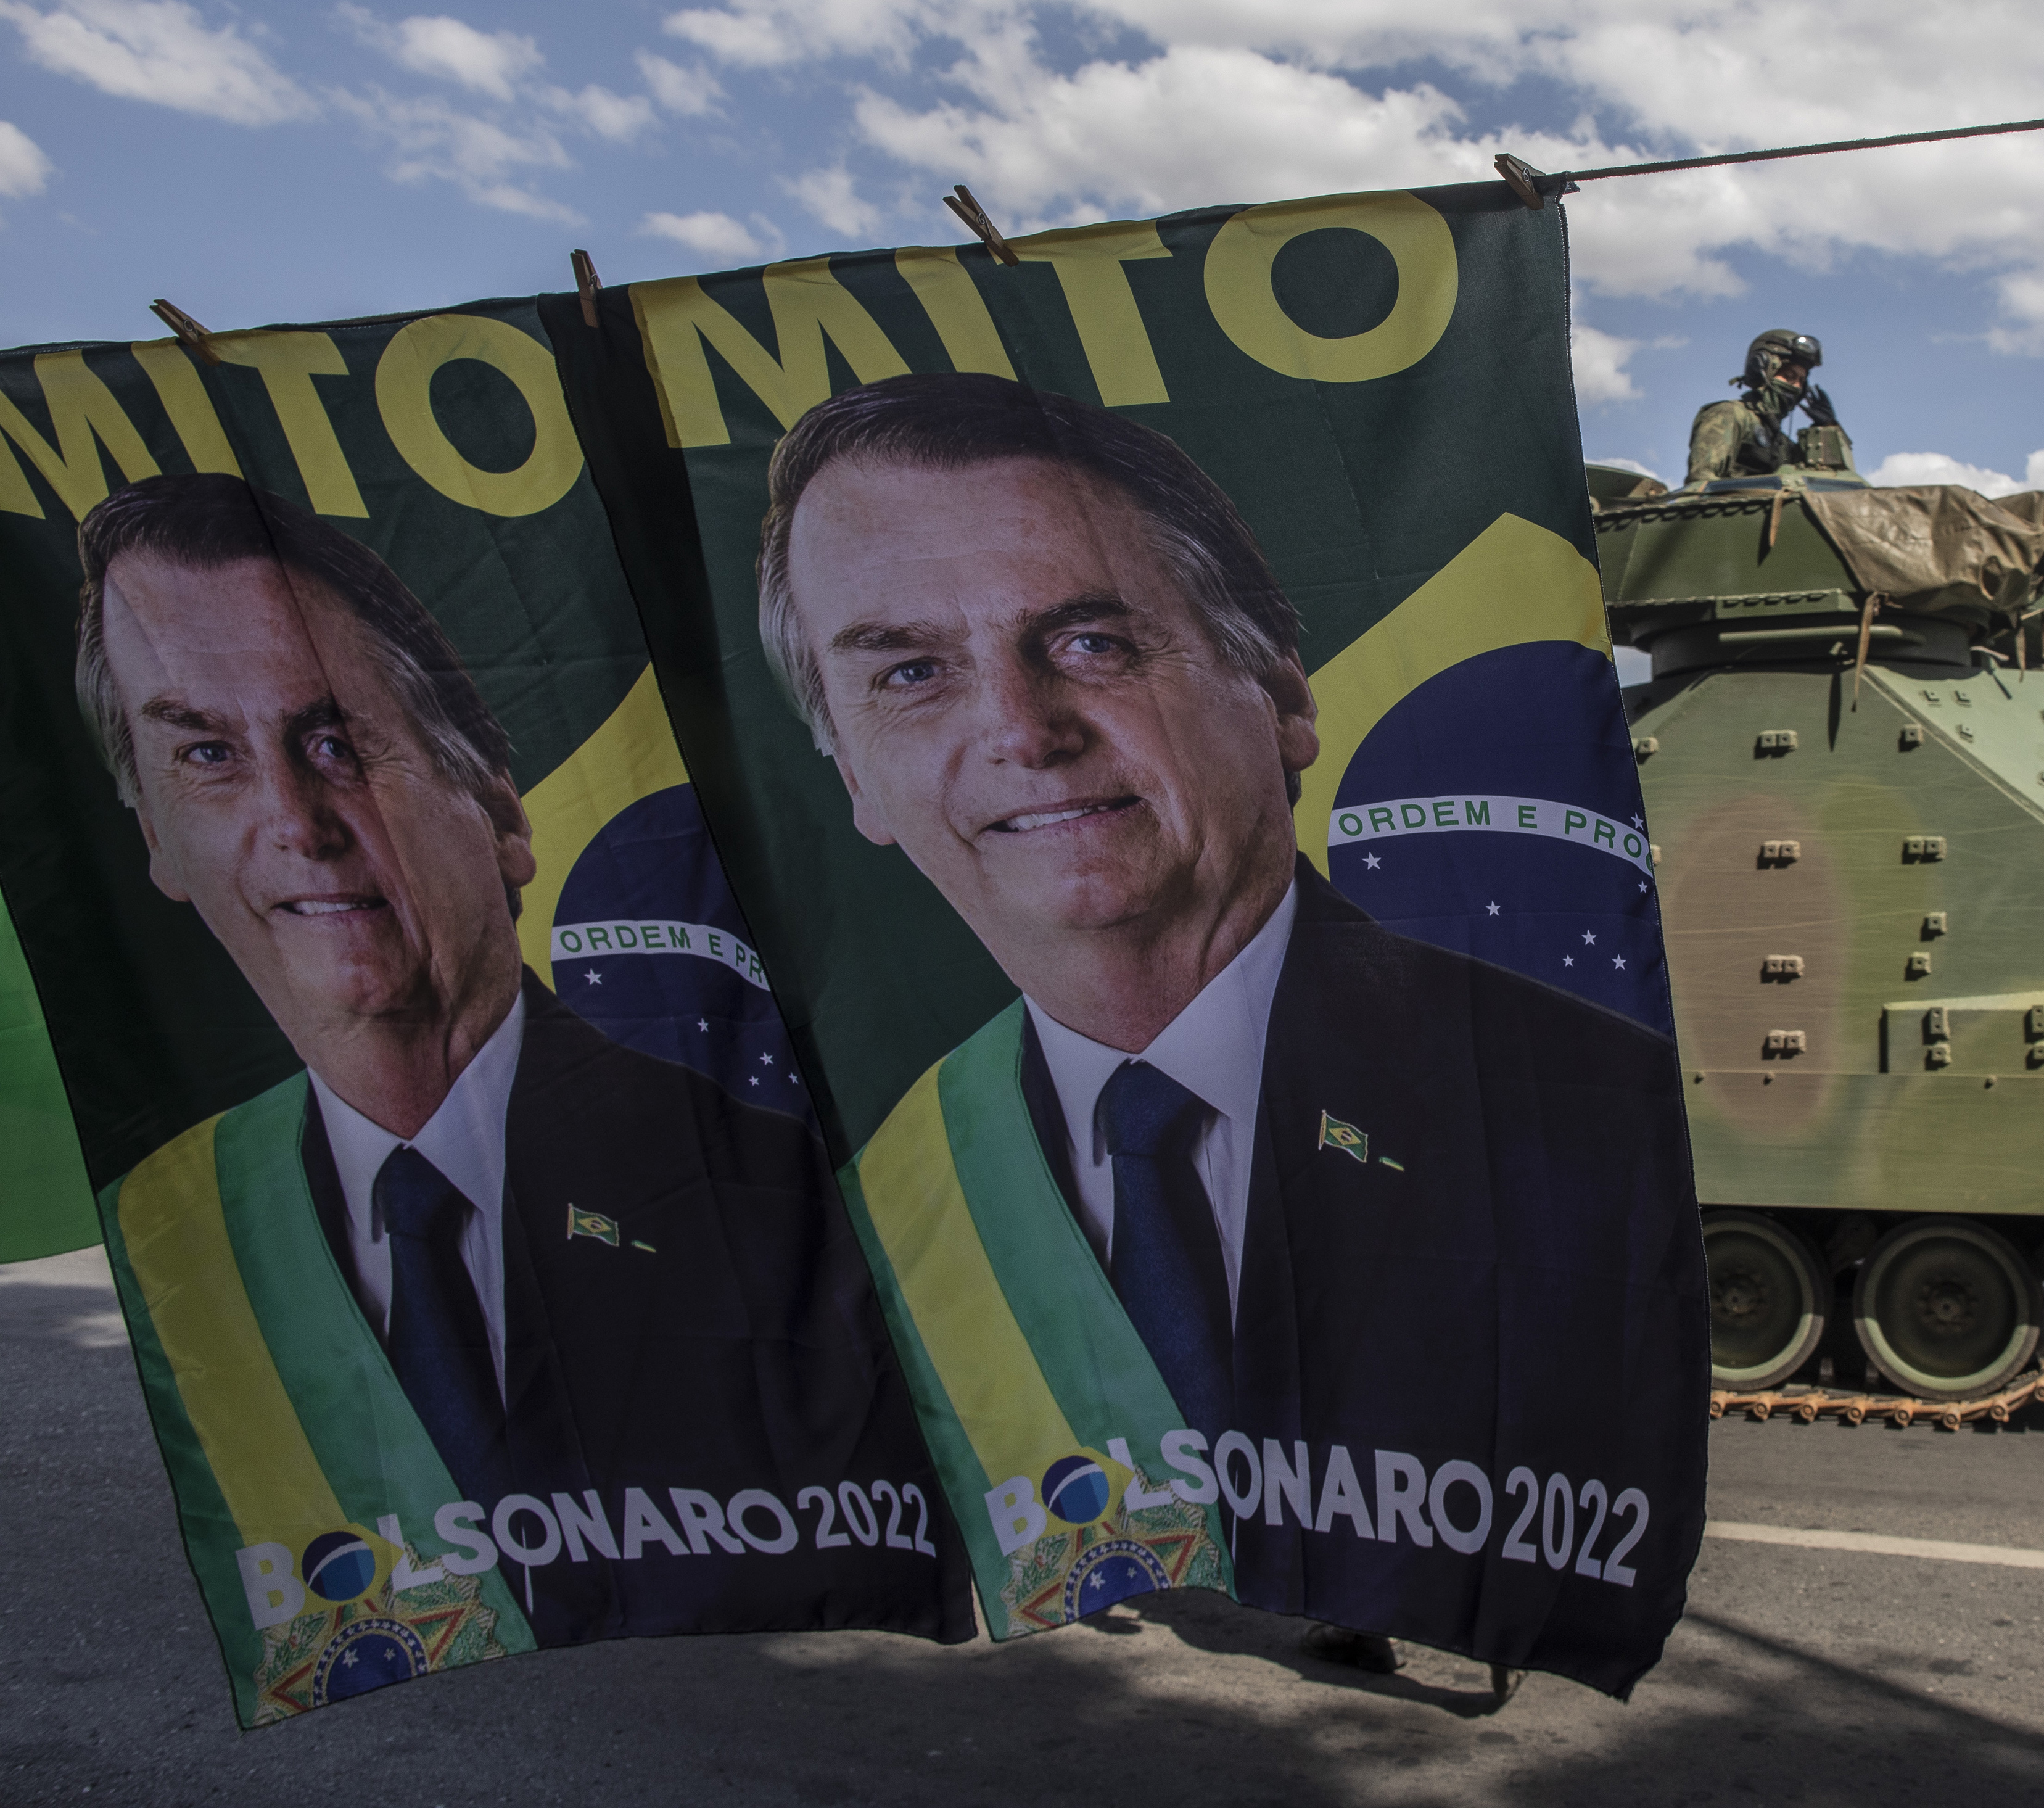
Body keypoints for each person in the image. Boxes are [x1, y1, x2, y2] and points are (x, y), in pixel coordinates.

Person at [758, 372, 1707, 1691]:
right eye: (912, 672)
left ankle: (1387, 1587)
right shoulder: (889, 1196)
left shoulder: (1572, 1102)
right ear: (856, 778)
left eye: (1092, 641)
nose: (1023, 734)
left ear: (1281, 695)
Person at [77, 474, 965, 1656]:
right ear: (155, 842)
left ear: (498, 812)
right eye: (203, 754)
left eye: (337, 739)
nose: (296, 821)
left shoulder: (769, 1180)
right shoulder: (180, 1214)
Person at [1681, 328, 1860, 487]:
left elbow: (1832, 482)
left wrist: (1828, 429)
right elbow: (1702, 484)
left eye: (1802, 381)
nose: (1796, 387)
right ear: (1763, 370)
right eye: (1789, 376)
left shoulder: (1782, 444)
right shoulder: (1729, 415)